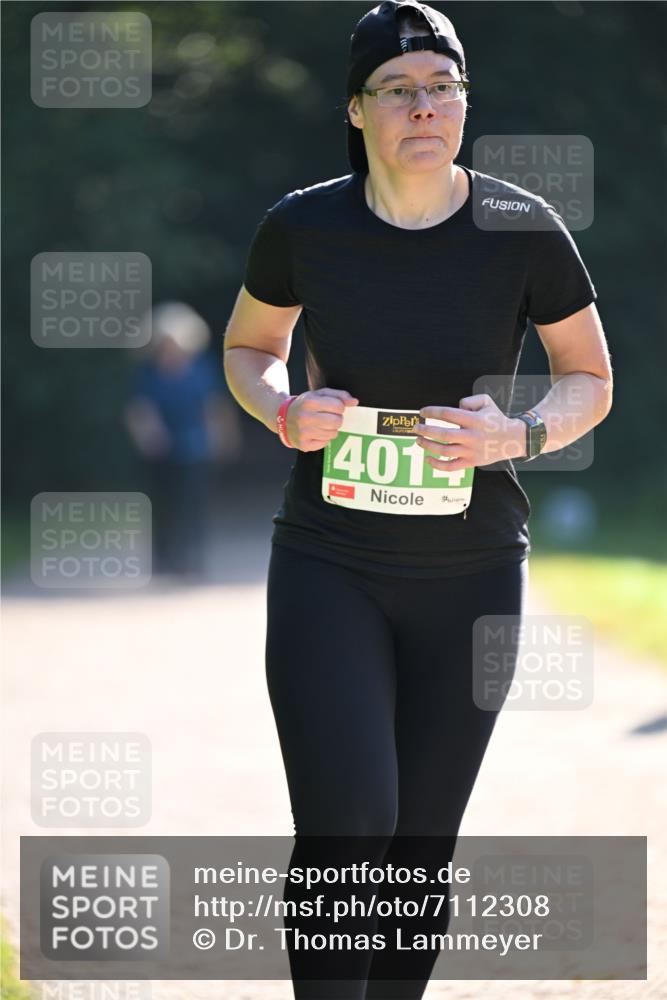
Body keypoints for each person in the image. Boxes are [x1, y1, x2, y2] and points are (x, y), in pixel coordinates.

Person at [224, 2, 613, 996]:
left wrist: (517, 432)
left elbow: (589, 380)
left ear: (463, 103)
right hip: (329, 562)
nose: (424, 106)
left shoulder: (522, 228)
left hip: (473, 570)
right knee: (348, 818)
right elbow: (248, 349)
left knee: (418, 844)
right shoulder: (302, 224)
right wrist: (281, 409)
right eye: (398, 89)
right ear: (357, 112)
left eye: (442, 86)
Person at [125, 302, 241, 578]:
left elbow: (214, 406)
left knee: (193, 505)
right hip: (161, 450)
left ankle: (191, 559)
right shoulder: (148, 372)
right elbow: (140, 408)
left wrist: (223, 437)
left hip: (195, 448)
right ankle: (163, 558)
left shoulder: (201, 369)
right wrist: (149, 434)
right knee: (162, 504)